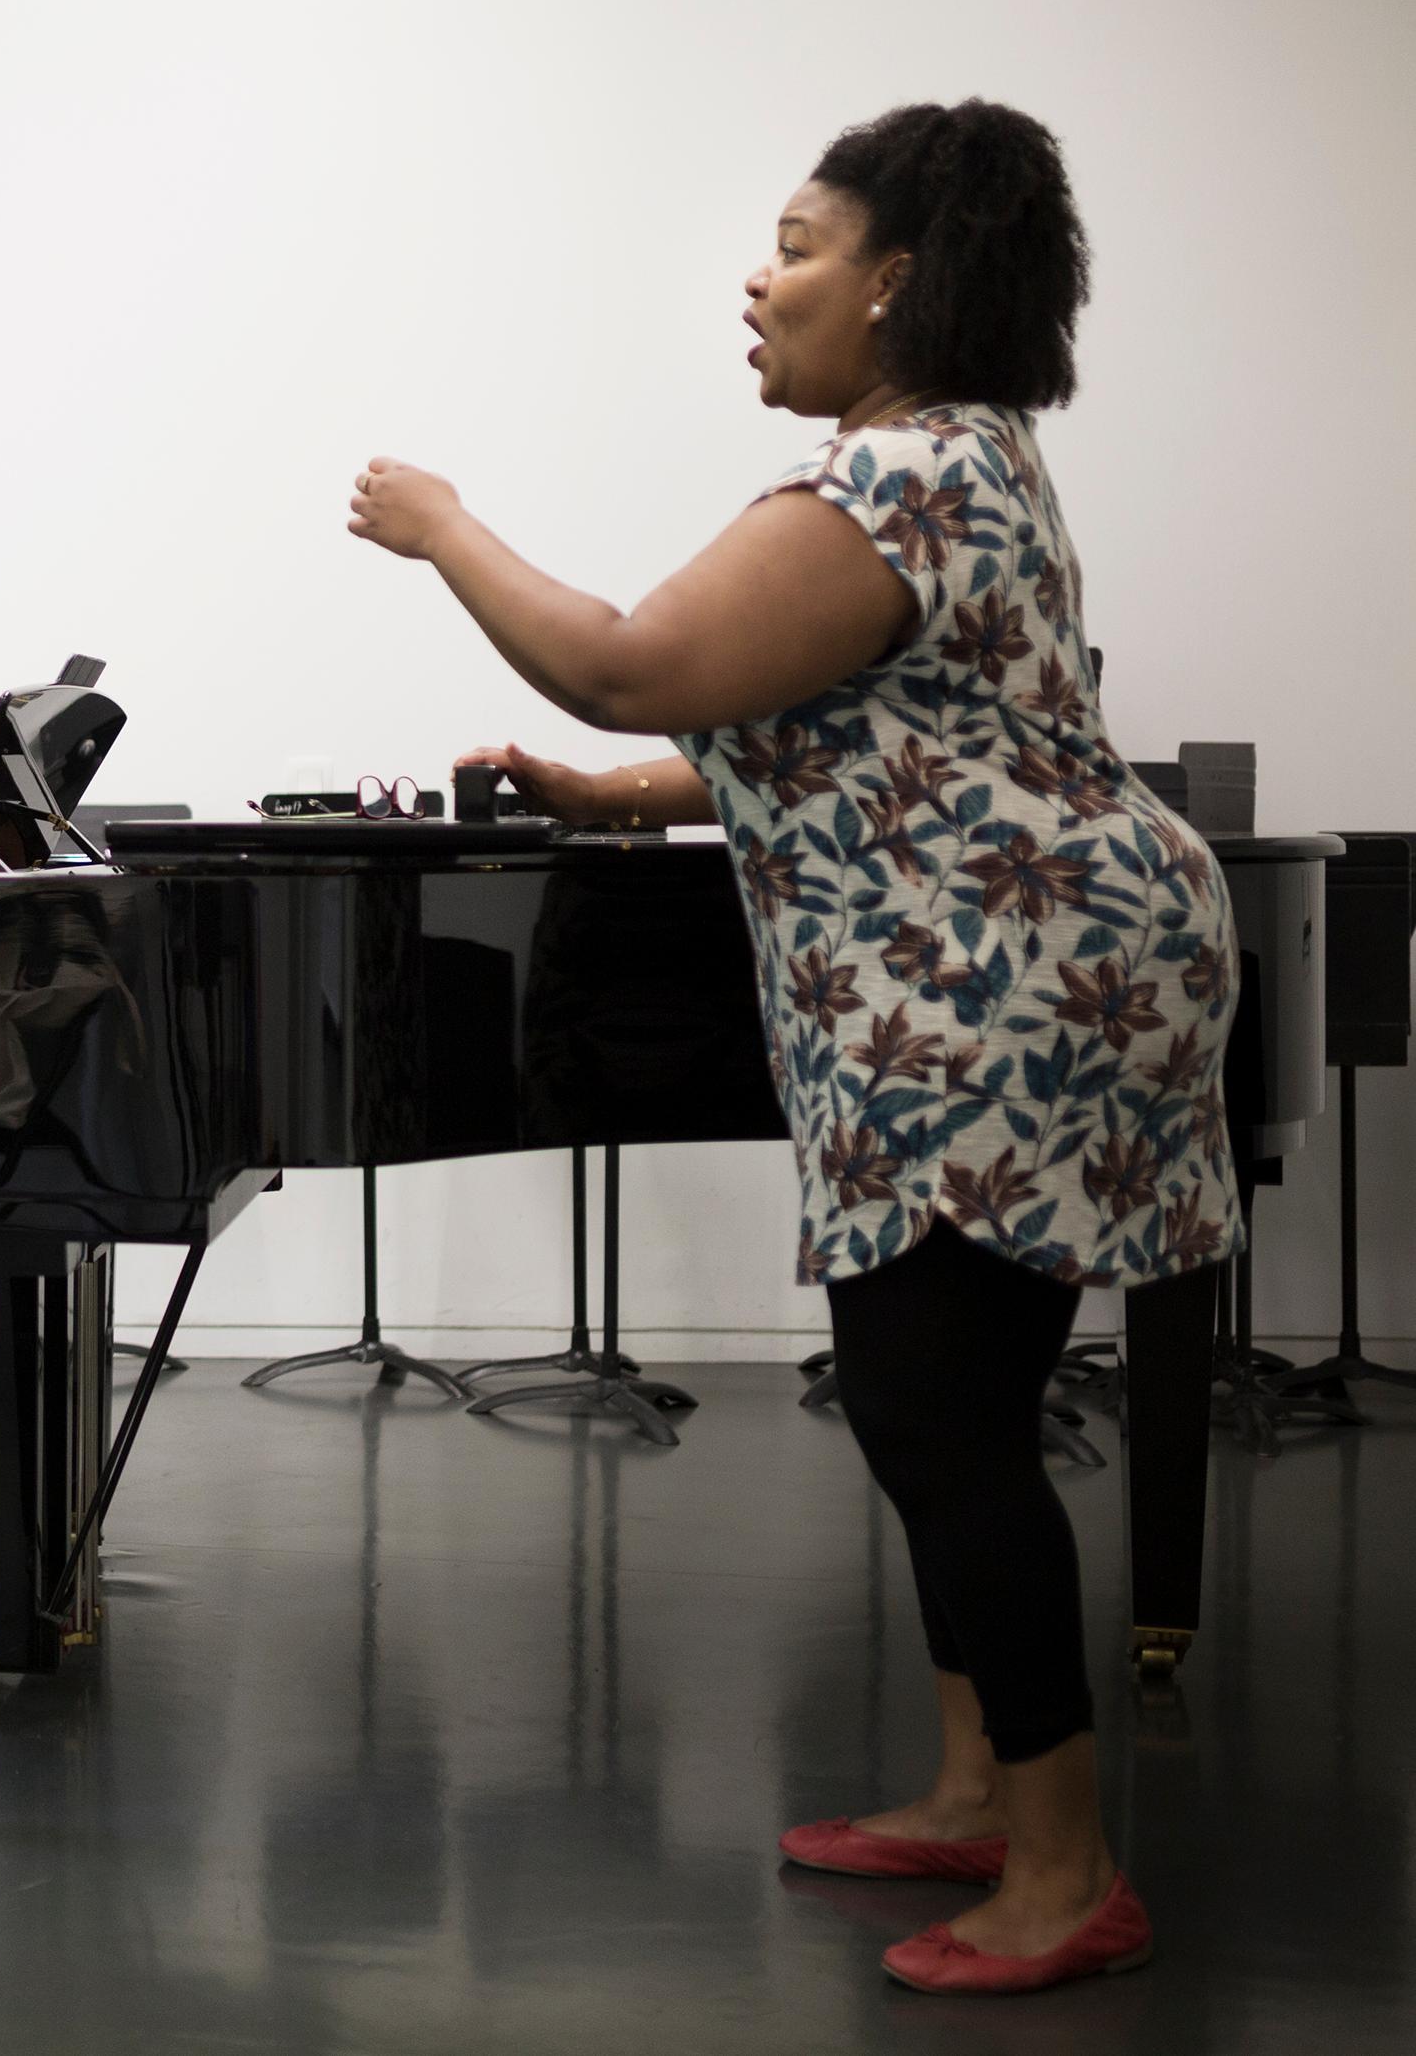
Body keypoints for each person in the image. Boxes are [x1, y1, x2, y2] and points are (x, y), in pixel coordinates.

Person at [344, 101, 1231, 1996]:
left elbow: (629, 656)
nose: (757, 282)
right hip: (982, 982)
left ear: (895, 279)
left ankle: (1063, 1868)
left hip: (1004, 994)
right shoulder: (948, 467)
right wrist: (608, 798)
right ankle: (972, 1787)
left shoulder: (901, 478)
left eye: (796, 245)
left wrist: (441, 530)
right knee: (945, 1409)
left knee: (931, 1407)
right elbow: (844, 728)